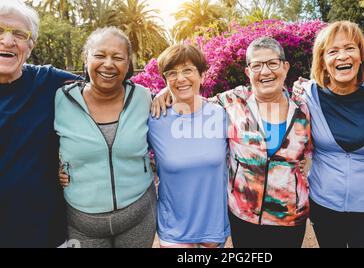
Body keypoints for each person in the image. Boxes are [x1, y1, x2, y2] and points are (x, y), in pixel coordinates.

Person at [153, 37, 313, 248]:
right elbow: (194, 102)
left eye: (272, 63)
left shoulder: (304, 108)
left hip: (290, 216)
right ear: (248, 72)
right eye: (256, 65)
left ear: (285, 67)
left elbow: (318, 148)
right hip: (243, 217)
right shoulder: (231, 102)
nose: (265, 72)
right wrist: (168, 90)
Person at [55, 27, 156, 248]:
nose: (108, 64)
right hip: (83, 224)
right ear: (86, 57)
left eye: (118, 57)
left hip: (138, 216)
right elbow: (34, 135)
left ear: (128, 64)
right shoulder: (60, 99)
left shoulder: (144, 97)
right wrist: (53, 164)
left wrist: (169, 93)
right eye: (99, 55)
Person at [298, 21, 364, 248]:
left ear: (361, 55)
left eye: (350, 48)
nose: (342, 56)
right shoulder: (306, 94)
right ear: (322, 60)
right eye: (333, 51)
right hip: (323, 204)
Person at [0, 0, 81, 247]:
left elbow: (107, 85)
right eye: (0, 31)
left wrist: (168, 94)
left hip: (46, 234)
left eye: (19, 34)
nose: (8, 41)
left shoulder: (49, 81)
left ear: (30, 46)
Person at [147, 44, 230, 248]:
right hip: (173, 229)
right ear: (166, 80)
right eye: (172, 73)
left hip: (214, 228)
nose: (180, 78)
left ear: (202, 76)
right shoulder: (154, 119)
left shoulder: (221, 114)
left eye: (188, 70)